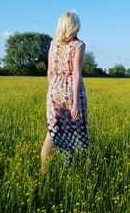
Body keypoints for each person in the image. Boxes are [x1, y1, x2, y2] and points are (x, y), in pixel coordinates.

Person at [41, 11, 89, 173]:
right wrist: (75, 103)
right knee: (75, 129)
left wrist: (54, 89)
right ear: (74, 25)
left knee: (53, 130)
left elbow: (49, 71)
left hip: (54, 89)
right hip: (71, 91)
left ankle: (43, 170)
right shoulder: (78, 45)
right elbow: (76, 73)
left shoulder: (53, 44)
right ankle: (72, 167)